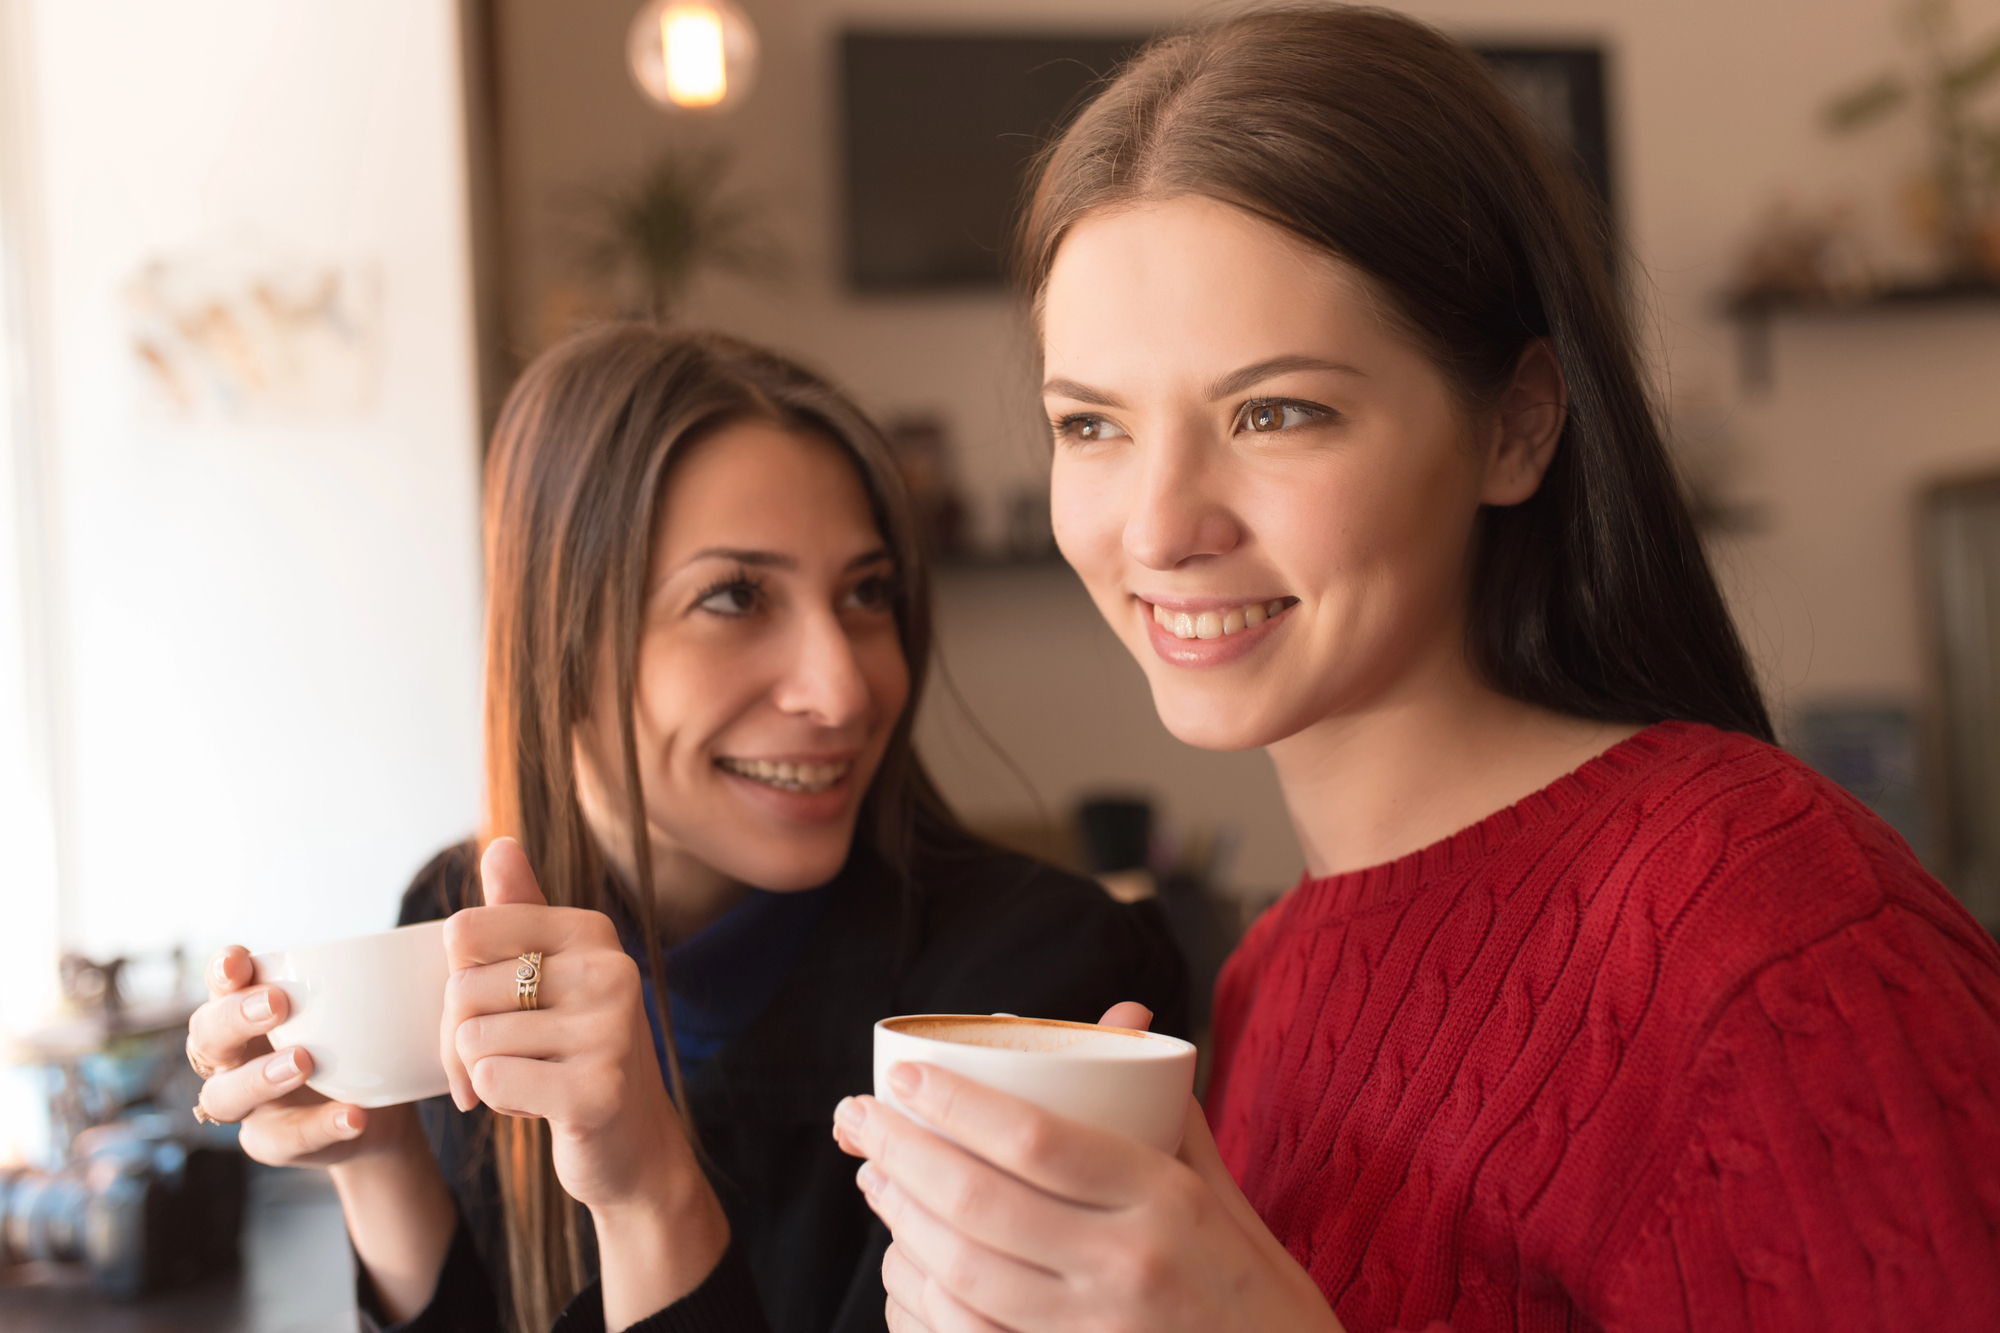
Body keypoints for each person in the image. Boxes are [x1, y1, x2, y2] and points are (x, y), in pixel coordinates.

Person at [833, 8, 2000, 1331]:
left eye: (1274, 412)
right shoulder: (1272, 975)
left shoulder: (1764, 924)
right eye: (1090, 424)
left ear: (1517, 426)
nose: (1159, 526)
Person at [182, 325, 1188, 1333]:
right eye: (735, 597)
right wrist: (376, 1157)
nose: (841, 689)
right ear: (559, 644)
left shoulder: (1033, 985)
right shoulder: (458, 918)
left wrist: (646, 1194)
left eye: (866, 594)